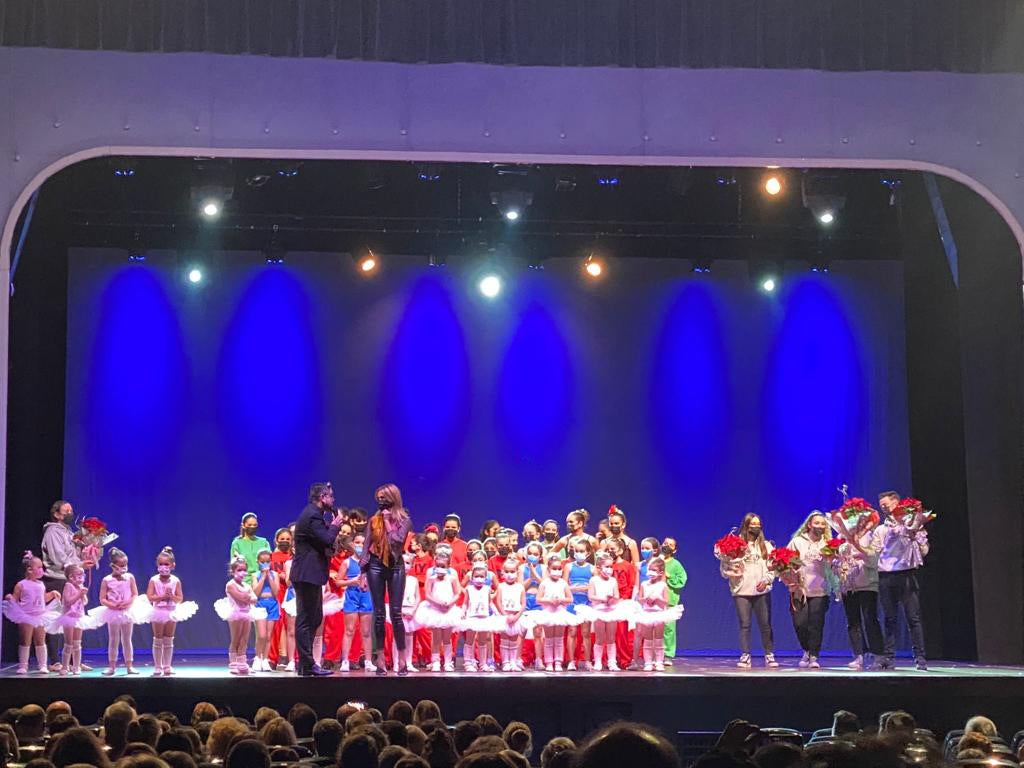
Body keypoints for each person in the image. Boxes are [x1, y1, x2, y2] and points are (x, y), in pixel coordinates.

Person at [291, 482, 346, 676]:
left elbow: (322, 544)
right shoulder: (313, 514)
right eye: (331, 496)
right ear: (322, 497)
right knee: (306, 619)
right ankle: (307, 664)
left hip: (311, 574)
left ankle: (306, 664)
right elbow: (326, 539)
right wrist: (336, 525)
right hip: (307, 574)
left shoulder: (315, 515)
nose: (333, 500)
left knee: (314, 618)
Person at [360, 483, 415, 675]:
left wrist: (388, 523)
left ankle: (402, 661)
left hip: (395, 566)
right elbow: (366, 546)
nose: (381, 501)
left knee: (396, 613)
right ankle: (380, 660)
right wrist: (362, 574)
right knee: (379, 614)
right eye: (378, 498)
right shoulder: (373, 520)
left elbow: (397, 541)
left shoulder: (404, 520)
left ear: (393, 498)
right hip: (375, 565)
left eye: (384, 497)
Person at [875, 491, 930, 670]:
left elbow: (925, 551)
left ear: (897, 503)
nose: (884, 507)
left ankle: (920, 657)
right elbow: (873, 551)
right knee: (889, 618)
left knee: (913, 617)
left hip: (907, 575)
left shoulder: (913, 525)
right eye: (881, 505)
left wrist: (916, 538)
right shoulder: (881, 529)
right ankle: (889, 658)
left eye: (887, 504)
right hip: (886, 576)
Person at [40, 500, 95, 671]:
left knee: (74, 617)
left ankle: (73, 661)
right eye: (66, 510)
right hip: (57, 577)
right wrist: (77, 566)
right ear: (56, 514)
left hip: (70, 577)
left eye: (71, 510)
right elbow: (59, 557)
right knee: (57, 618)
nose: (70, 513)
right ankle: (56, 660)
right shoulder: (52, 531)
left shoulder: (68, 532)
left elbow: (71, 554)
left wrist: (85, 556)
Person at [720, 514, 778, 669]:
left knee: (765, 624)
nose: (755, 527)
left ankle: (769, 654)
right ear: (746, 525)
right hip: (741, 591)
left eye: (758, 524)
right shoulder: (735, 545)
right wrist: (732, 573)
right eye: (752, 524)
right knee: (744, 624)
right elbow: (724, 567)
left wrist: (766, 580)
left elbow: (773, 568)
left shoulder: (766, 546)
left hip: (762, 591)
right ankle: (745, 655)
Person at [830, 508, 884, 670]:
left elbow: (874, 559)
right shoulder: (841, 539)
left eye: (859, 521)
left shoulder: (871, 535)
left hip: (867, 584)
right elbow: (837, 562)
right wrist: (835, 563)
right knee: (853, 621)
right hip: (848, 585)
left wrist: (860, 551)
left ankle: (878, 655)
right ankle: (859, 655)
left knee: (870, 619)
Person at [134, 546, 198, 676]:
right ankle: (158, 666)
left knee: (168, 638)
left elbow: (179, 598)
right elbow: (150, 597)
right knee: (158, 638)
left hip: (171, 611)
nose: (163, 567)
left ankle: (167, 666)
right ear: (157, 565)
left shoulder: (175, 580)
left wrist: (171, 596)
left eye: (166, 564)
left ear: (172, 565)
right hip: (158, 611)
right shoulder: (154, 580)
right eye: (161, 564)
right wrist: (162, 596)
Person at [787, 511, 837, 669]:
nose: (820, 526)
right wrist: (790, 577)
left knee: (816, 623)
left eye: (823, 524)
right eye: (817, 523)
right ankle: (806, 650)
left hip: (820, 590)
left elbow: (835, 566)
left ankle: (814, 655)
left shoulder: (828, 544)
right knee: (800, 623)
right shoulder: (797, 542)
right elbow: (786, 561)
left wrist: (831, 559)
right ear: (809, 524)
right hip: (800, 590)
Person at [1, 550, 61, 674]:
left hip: (40, 615)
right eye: (38, 567)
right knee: (25, 641)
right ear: (29, 570)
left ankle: (42, 665)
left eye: (42, 567)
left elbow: (42, 598)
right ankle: (23, 665)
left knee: (40, 641)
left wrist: (52, 594)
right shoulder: (21, 584)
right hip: (26, 616)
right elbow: (15, 599)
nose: (41, 569)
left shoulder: (41, 584)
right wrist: (10, 598)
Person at [214, 556, 267, 675]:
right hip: (236, 613)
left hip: (246, 613)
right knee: (236, 639)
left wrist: (248, 598)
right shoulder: (230, 585)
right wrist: (248, 598)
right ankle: (233, 663)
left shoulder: (246, 586)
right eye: (239, 570)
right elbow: (241, 597)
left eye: (244, 570)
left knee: (244, 639)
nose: (242, 572)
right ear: (232, 571)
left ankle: (242, 663)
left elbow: (253, 598)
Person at [90, 547, 139, 676]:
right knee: (113, 639)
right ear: (113, 565)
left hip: (127, 610)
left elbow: (135, 594)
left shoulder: (130, 577)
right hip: (113, 612)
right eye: (121, 565)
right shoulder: (107, 580)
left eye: (125, 565)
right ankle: (112, 666)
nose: (124, 567)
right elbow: (102, 599)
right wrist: (113, 605)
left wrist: (127, 603)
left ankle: (129, 665)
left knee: (127, 639)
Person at [414, 543, 463, 672]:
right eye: (438, 566)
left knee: (447, 638)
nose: (440, 569)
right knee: (436, 638)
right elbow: (428, 594)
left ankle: (448, 661)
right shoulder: (431, 578)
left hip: (448, 610)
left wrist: (450, 603)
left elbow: (457, 592)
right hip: (435, 610)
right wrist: (437, 603)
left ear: (448, 566)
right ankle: (435, 661)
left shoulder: (452, 577)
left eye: (443, 566)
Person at [579, 551, 630, 671]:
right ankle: (598, 661)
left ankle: (612, 662)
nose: (609, 569)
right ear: (599, 567)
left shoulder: (613, 581)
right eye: (606, 567)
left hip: (611, 610)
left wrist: (612, 600)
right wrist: (602, 599)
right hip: (599, 611)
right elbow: (591, 596)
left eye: (611, 567)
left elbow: (617, 596)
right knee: (600, 638)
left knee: (611, 638)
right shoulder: (594, 580)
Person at [633, 557, 683, 671]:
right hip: (646, 614)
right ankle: (648, 662)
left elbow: (666, 601)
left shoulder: (663, 585)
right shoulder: (644, 584)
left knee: (659, 638)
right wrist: (645, 598)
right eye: (649, 570)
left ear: (660, 572)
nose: (650, 572)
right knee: (648, 639)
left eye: (654, 570)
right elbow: (639, 599)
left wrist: (657, 598)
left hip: (659, 614)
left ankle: (659, 662)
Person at [531, 554, 580, 672]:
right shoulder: (544, 583)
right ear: (548, 569)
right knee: (548, 639)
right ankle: (548, 662)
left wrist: (560, 601)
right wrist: (549, 601)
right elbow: (538, 599)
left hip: (560, 613)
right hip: (548, 613)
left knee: (558, 638)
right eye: (554, 568)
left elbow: (570, 599)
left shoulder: (563, 583)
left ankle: (558, 661)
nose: (557, 571)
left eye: (559, 569)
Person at [340, 534, 375, 673]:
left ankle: (368, 661)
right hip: (352, 596)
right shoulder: (347, 563)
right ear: (353, 544)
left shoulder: (371, 562)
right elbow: (338, 581)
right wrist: (351, 581)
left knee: (366, 631)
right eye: (357, 542)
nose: (360, 545)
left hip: (366, 596)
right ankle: (345, 660)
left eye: (363, 543)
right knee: (349, 630)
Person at [460, 563, 502, 672]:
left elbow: (490, 603)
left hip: (484, 618)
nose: (479, 579)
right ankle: (468, 662)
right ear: (472, 577)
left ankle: (483, 663)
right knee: (470, 640)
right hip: (472, 618)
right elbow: (465, 603)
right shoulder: (469, 589)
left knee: (483, 641)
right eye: (476, 576)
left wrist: (497, 613)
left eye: (482, 576)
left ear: (486, 578)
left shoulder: (487, 589)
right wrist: (463, 612)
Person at [566, 538, 594, 671]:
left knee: (586, 632)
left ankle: (587, 660)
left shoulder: (592, 569)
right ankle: (571, 661)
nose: (578, 553)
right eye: (576, 551)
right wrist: (574, 589)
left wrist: (586, 589)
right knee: (572, 631)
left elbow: (594, 586)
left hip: (586, 603)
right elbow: (564, 586)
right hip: (572, 603)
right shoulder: (569, 567)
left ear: (588, 553)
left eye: (582, 551)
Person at [267, 527, 293, 670]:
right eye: (282, 539)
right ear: (276, 540)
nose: (285, 541)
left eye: (288, 539)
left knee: (292, 628)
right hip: (276, 594)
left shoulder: (293, 557)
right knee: (275, 627)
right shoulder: (271, 557)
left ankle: (293, 659)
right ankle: (272, 658)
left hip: (291, 594)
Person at [251, 548, 280, 671]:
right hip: (260, 604)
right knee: (261, 635)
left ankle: (265, 659)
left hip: (272, 604)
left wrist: (269, 576)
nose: (265, 564)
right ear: (258, 562)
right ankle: (257, 657)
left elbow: (276, 592)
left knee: (268, 636)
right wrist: (263, 577)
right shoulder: (255, 575)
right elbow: (255, 593)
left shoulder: (275, 575)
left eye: (268, 561)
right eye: (263, 561)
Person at [495, 558, 527, 672]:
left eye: (512, 572)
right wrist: (505, 616)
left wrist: (516, 616)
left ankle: (513, 661)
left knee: (513, 640)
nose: (510, 575)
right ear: (503, 572)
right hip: (505, 617)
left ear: (517, 572)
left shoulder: (520, 587)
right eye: (507, 572)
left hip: (516, 617)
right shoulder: (501, 586)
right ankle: (505, 662)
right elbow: (498, 602)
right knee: (505, 639)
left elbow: (523, 604)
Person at [660, 537, 688, 665]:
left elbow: (682, 580)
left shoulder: (676, 565)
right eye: (665, 543)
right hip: (654, 600)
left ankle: (667, 655)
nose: (667, 546)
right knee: (654, 628)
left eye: (670, 545)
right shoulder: (656, 561)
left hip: (669, 600)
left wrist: (669, 576)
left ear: (674, 550)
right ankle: (654, 654)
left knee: (668, 629)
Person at [395, 551, 422, 673]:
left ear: (411, 565)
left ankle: (408, 662)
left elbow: (417, 597)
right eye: (402, 562)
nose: (405, 565)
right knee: (397, 637)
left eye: (407, 563)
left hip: (411, 610)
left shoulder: (413, 580)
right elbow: (393, 596)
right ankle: (397, 662)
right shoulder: (394, 578)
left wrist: (413, 610)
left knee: (409, 637)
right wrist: (398, 610)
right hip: (398, 611)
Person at [521, 542, 546, 670]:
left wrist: (535, 573)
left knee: (538, 632)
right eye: (530, 553)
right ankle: (518, 659)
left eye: (535, 554)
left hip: (538, 602)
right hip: (525, 601)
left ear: (540, 556)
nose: (532, 556)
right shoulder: (521, 568)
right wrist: (530, 578)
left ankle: (539, 659)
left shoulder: (544, 568)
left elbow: (545, 584)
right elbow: (521, 587)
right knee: (522, 631)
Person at [229, 513, 271, 585]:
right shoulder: (237, 543)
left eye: (254, 525)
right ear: (243, 525)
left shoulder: (264, 542)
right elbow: (235, 566)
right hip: (244, 582)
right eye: (250, 525)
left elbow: (269, 562)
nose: (252, 527)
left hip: (262, 581)